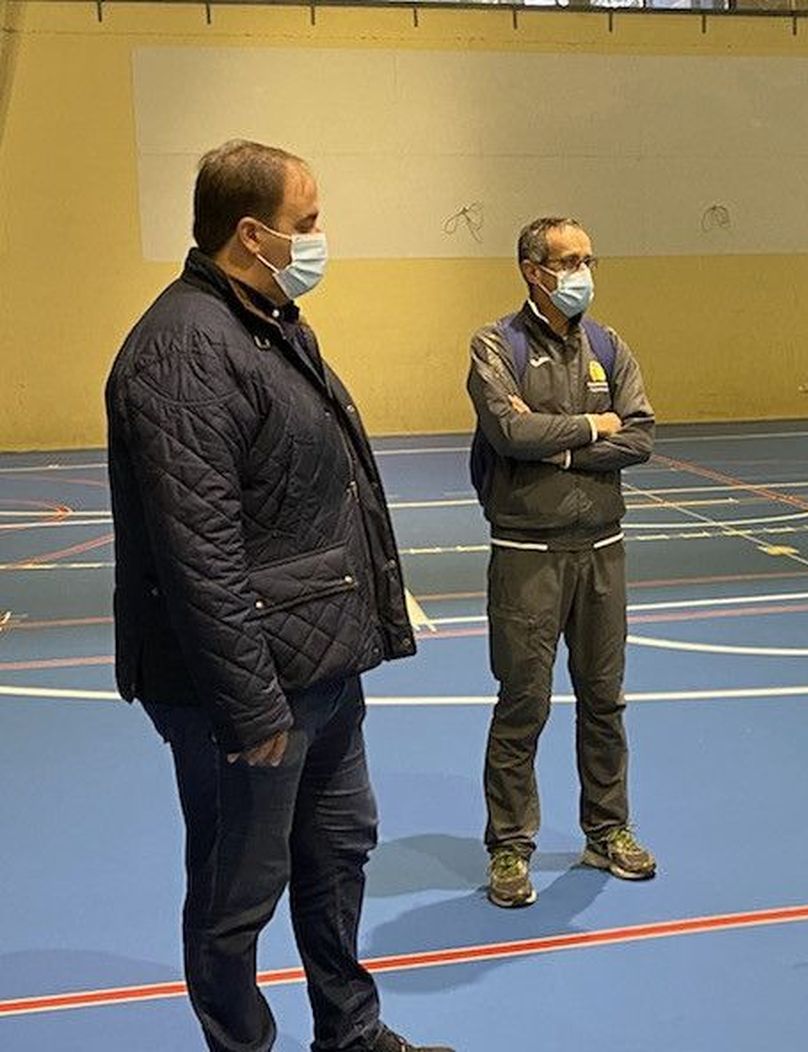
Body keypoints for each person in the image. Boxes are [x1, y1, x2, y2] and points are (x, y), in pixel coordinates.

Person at [105, 140, 450, 1052]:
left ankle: (350, 1031)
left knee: (337, 855)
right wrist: (250, 704)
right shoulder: (184, 350)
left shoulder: (268, 322)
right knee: (237, 895)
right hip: (246, 692)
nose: (320, 237)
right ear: (252, 235)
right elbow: (198, 554)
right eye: (309, 221)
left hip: (321, 667)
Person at [467, 216, 657, 909]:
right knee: (524, 703)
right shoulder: (496, 345)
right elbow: (508, 431)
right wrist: (591, 426)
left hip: (603, 549)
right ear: (533, 270)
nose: (582, 273)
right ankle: (510, 846)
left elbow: (641, 436)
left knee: (604, 699)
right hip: (527, 554)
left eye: (587, 260)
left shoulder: (609, 345)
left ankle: (607, 831)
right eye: (569, 261)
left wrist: (562, 449)